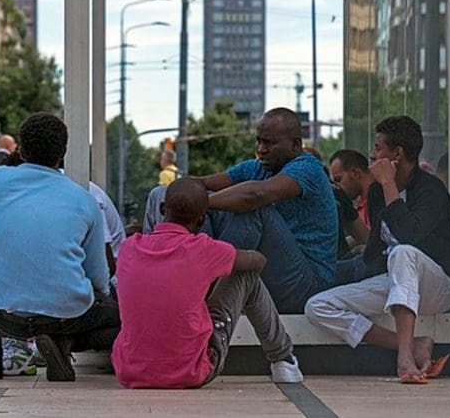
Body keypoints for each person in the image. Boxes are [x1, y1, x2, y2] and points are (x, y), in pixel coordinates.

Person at [0, 113, 120, 382]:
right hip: (68, 316)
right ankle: (62, 343)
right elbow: (99, 278)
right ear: (63, 152)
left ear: (20, 147)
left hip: (5, 317)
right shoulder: (84, 199)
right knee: (120, 319)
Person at [305, 115, 450, 383]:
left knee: (403, 253)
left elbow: (406, 236)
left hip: (438, 286)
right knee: (318, 305)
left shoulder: (431, 190)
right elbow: (376, 250)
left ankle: (404, 360)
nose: (372, 153)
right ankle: (414, 343)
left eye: (378, 148)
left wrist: (389, 183)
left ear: (396, 154)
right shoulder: (378, 192)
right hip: (397, 283)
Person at [112, 178, 303, 388]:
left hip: (130, 372)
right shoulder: (204, 249)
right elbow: (256, 261)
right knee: (246, 274)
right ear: (203, 220)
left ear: (162, 208)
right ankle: (283, 359)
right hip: (190, 372)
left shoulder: (128, 248)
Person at [197, 107, 338, 313]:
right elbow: (205, 184)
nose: (261, 149)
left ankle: (204, 286)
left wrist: (200, 202)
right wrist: (176, 194)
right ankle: (179, 273)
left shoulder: (309, 168)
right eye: (259, 141)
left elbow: (256, 195)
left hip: (306, 284)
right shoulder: (256, 167)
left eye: (270, 143)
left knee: (255, 210)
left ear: (296, 144)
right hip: (276, 273)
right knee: (171, 194)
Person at [330, 149, 375, 229]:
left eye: (338, 180)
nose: (337, 187)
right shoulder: (360, 206)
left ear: (355, 173)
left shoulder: (379, 200)